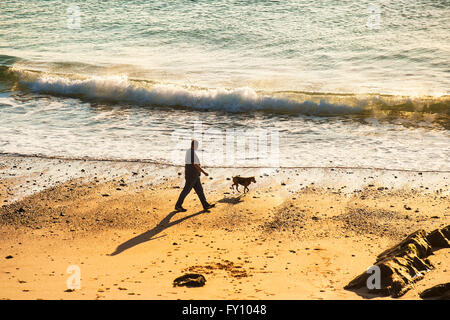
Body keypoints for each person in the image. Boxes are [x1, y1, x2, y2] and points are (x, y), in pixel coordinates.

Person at [175, 140, 215, 212]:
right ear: (194, 145)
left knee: (200, 191)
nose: (197, 147)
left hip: (195, 176)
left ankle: (205, 205)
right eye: (197, 145)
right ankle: (178, 205)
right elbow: (195, 164)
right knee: (186, 191)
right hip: (191, 176)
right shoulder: (191, 152)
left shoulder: (190, 151)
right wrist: (204, 172)